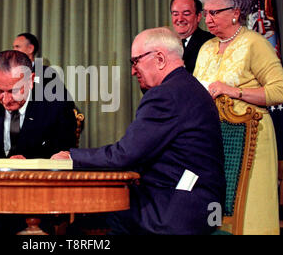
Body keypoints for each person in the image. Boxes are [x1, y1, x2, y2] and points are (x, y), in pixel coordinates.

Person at [52, 27, 226, 235]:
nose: (133, 71)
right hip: (201, 206)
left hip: (177, 209)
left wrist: (72, 157)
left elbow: (125, 155)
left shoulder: (166, 95)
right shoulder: (189, 87)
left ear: (160, 59)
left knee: (90, 218)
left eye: (135, 61)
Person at [194, 0, 283, 235]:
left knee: (251, 214)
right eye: (205, 13)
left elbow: (281, 91)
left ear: (236, 12)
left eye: (215, 12)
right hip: (215, 142)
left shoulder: (255, 44)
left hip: (253, 141)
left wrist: (234, 91)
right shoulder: (205, 48)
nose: (208, 19)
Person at [0, 50, 76, 159]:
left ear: (31, 81)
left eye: (14, 91)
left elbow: (66, 153)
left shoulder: (57, 106)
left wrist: (30, 162)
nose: (7, 100)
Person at [170, 0, 214, 73]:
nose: (180, 19)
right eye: (175, 14)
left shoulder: (211, 43)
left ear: (198, 17)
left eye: (186, 14)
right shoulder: (166, 44)